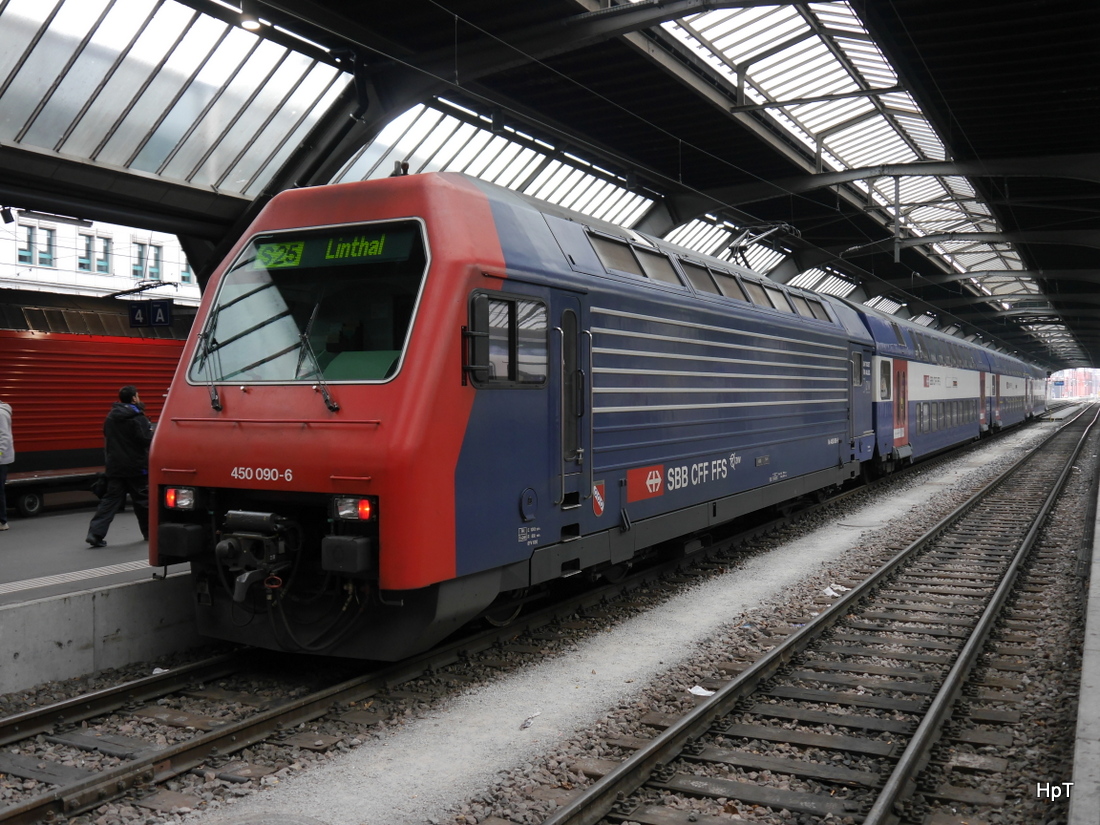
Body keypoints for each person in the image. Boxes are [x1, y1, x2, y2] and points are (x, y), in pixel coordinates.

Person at [86, 386, 153, 547]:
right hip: (136, 467)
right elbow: (146, 439)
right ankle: (149, 533)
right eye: (137, 395)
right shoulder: (137, 417)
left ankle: (95, 533)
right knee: (143, 502)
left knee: (109, 502)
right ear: (133, 399)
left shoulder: (110, 417)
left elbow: (106, 436)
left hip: (115, 467)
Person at [0, 397, 12, 530]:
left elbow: (5, 437)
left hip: (2, 460)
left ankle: (2, 522)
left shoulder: (1, 414)